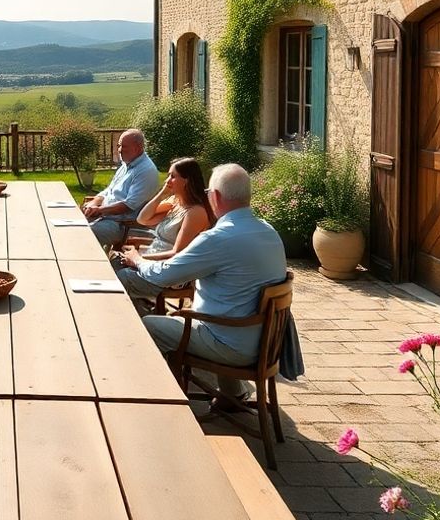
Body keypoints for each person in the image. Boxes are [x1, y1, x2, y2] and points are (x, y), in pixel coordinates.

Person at [115, 163, 287, 401]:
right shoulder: (269, 231)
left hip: (228, 343)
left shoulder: (218, 238)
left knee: (148, 325)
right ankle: (232, 394)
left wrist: (137, 259)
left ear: (215, 196)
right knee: (226, 309)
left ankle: (160, 401)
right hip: (267, 342)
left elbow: (164, 276)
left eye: (209, 193)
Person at [123, 157, 214, 262]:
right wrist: (161, 194)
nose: (167, 181)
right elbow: (142, 219)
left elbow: (178, 253)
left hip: (165, 267)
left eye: (172, 176)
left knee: (115, 270)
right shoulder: (174, 203)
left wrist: (137, 258)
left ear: (186, 181)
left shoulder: (196, 212)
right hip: (150, 259)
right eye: (168, 176)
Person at [82, 128, 161, 247]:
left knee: (80, 234)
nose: (119, 150)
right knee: (68, 226)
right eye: (119, 145)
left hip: (120, 225)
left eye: (124, 146)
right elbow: (109, 191)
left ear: (138, 148)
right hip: (104, 217)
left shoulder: (146, 171)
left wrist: (100, 210)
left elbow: (129, 205)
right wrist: (94, 203)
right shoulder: (126, 165)